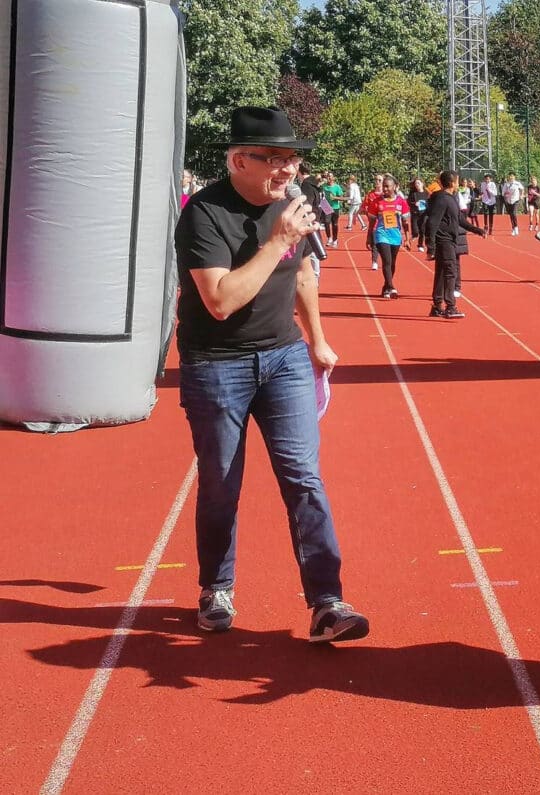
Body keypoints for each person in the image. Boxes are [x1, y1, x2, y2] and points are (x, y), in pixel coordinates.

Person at [174, 105, 369, 643]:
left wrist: (318, 340)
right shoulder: (204, 213)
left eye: (293, 159)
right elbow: (220, 301)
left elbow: (303, 274)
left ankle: (327, 603)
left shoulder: (292, 206)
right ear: (239, 160)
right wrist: (277, 240)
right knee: (221, 484)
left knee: (304, 478)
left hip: (284, 358)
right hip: (217, 364)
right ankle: (216, 587)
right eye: (275, 159)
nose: (288, 169)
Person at [425, 170, 484, 319]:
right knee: (451, 272)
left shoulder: (451, 198)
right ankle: (450, 306)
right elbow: (432, 222)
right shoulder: (442, 199)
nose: (459, 184)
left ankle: (437, 306)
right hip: (444, 240)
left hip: (450, 240)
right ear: (452, 183)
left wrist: (477, 230)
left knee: (441, 272)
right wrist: (430, 246)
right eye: (457, 181)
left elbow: (460, 220)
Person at [366, 174, 411, 298]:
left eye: (387, 186)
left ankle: (386, 286)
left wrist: (407, 239)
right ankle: (391, 287)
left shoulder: (401, 202)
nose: (385, 189)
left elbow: (405, 222)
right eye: (383, 186)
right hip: (381, 234)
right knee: (387, 261)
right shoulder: (377, 202)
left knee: (392, 263)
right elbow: (371, 223)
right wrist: (369, 238)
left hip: (395, 235)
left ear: (394, 187)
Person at [361, 174, 385, 270]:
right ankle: (374, 261)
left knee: (383, 244)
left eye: (380, 180)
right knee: (374, 243)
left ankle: (386, 260)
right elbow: (364, 206)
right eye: (376, 180)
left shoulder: (386, 194)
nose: (377, 182)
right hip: (374, 223)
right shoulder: (370, 194)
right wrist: (357, 214)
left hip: (385, 223)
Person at [407, 177, 430, 252]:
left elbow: (430, 202)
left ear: (422, 184)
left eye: (418, 183)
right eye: (415, 183)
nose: (417, 185)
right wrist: (414, 204)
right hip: (415, 214)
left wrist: (427, 205)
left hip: (424, 214)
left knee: (422, 230)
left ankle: (420, 245)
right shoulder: (413, 193)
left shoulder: (427, 193)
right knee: (415, 232)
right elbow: (408, 202)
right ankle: (410, 239)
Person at [322, 172, 343, 246]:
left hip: (335, 207)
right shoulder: (323, 186)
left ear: (333, 178)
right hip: (326, 206)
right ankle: (329, 238)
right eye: (327, 176)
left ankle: (335, 240)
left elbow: (341, 198)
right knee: (326, 222)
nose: (328, 178)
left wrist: (334, 197)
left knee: (335, 224)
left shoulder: (337, 187)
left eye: (330, 176)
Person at [500, 171, 524, 235]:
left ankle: (516, 227)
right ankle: (513, 228)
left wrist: (521, 195)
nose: (511, 177)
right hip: (508, 201)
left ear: (514, 177)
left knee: (514, 213)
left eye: (512, 176)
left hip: (515, 200)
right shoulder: (506, 184)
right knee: (511, 215)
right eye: (510, 176)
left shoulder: (517, 183)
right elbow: (503, 193)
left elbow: (522, 189)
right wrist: (506, 194)